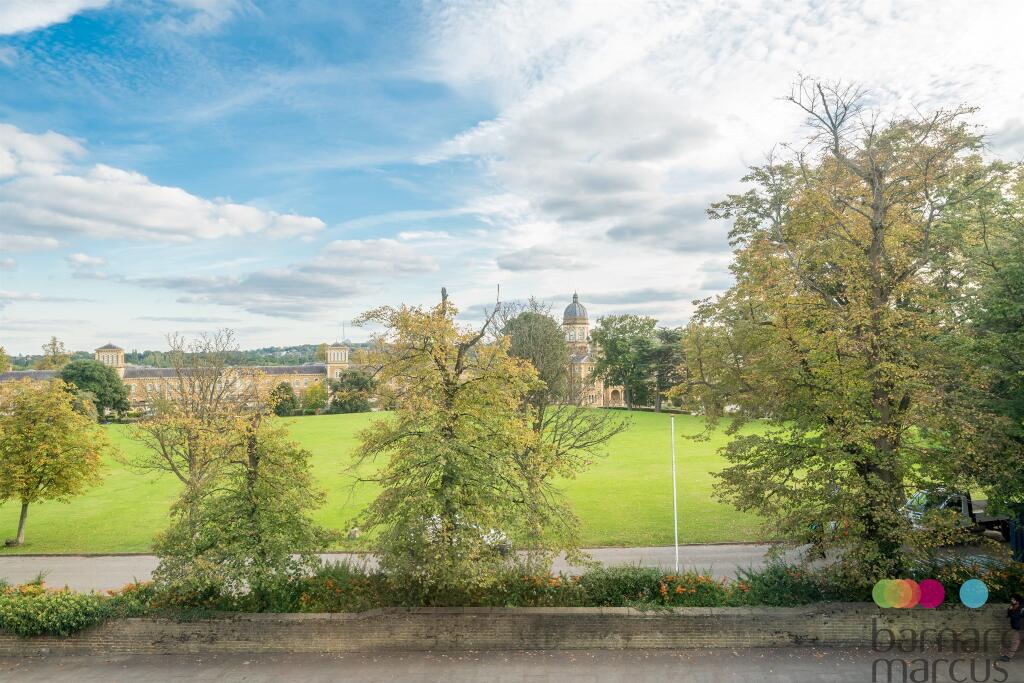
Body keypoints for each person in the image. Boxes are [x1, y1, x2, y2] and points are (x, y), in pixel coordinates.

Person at [999, 594, 1022, 662]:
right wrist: (1010, 610)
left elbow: (1017, 617)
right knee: (1016, 641)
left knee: (1015, 641)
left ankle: (1008, 656)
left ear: (1017, 601)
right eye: (1011, 599)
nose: (1011, 600)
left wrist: (1013, 611)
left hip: (1020, 627)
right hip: (1017, 626)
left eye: (1013, 599)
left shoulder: (1022, 608)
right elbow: (1009, 615)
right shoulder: (1013, 606)